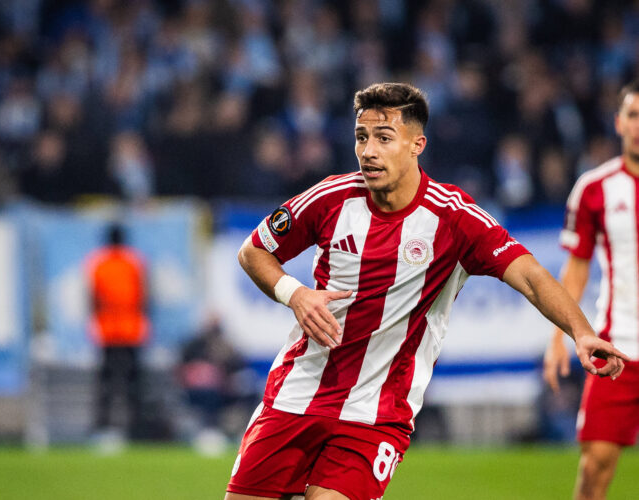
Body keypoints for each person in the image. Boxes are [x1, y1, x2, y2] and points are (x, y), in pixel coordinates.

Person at [226, 82, 628, 500]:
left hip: (375, 412)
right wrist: (294, 294)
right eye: (361, 137)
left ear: (417, 144)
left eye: (384, 138)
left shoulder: (453, 217)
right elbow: (253, 251)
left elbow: (530, 276)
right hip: (296, 394)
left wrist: (581, 333)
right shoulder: (331, 198)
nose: (368, 151)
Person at [543, 79, 639, 500]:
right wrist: (557, 338)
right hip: (618, 346)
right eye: (633, 115)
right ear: (618, 123)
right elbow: (576, 271)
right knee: (595, 466)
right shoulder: (595, 188)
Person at [85, 223, 150, 439]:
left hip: (108, 331)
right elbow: (144, 298)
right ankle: (136, 428)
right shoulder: (134, 263)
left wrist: (96, 322)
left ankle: (103, 427)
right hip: (131, 331)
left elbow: (93, 299)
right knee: (133, 384)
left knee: (106, 383)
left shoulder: (98, 264)